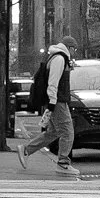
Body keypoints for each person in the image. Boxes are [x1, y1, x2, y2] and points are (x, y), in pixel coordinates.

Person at [18, 40, 75, 172]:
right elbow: (53, 82)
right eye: (74, 49)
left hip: (56, 100)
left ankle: (27, 150)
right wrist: (53, 102)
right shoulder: (59, 59)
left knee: (53, 132)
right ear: (69, 48)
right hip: (58, 100)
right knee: (68, 131)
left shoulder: (58, 58)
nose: (74, 52)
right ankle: (63, 162)